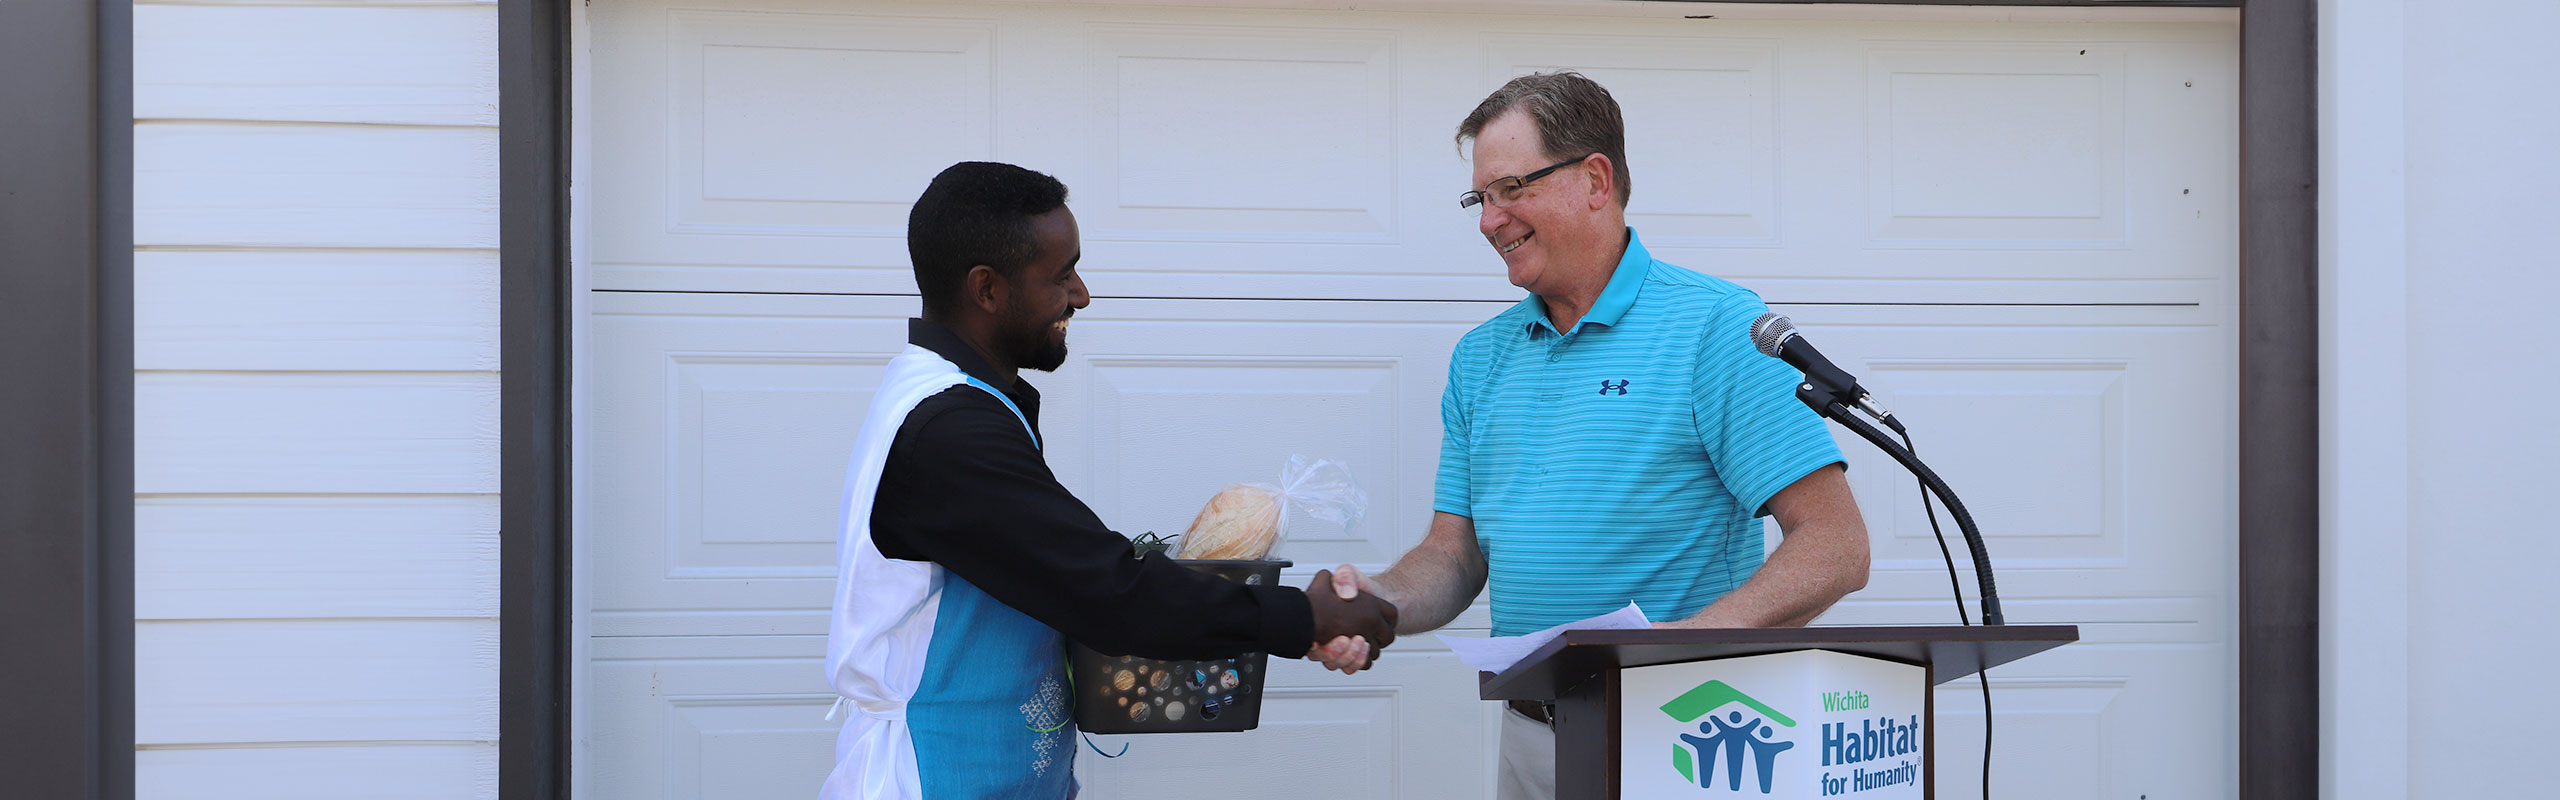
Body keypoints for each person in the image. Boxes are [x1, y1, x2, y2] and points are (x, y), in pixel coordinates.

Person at [1315, 72, 1872, 799]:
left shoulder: (1714, 328)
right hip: (1529, 736)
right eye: (1479, 198)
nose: (1490, 220)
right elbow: (1453, 555)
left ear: (1595, 180)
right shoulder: (1480, 358)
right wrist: (1375, 602)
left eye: (1511, 189)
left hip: (1682, 732)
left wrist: (1680, 647)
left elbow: (1836, 546)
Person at [822, 161, 1399, 799]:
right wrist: (1304, 616)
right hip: (929, 776)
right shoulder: (948, 429)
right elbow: (1108, 592)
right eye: (1061, 273)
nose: (1081, 293)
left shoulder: (971, 401)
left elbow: (1060, 569)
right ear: (987, 290)